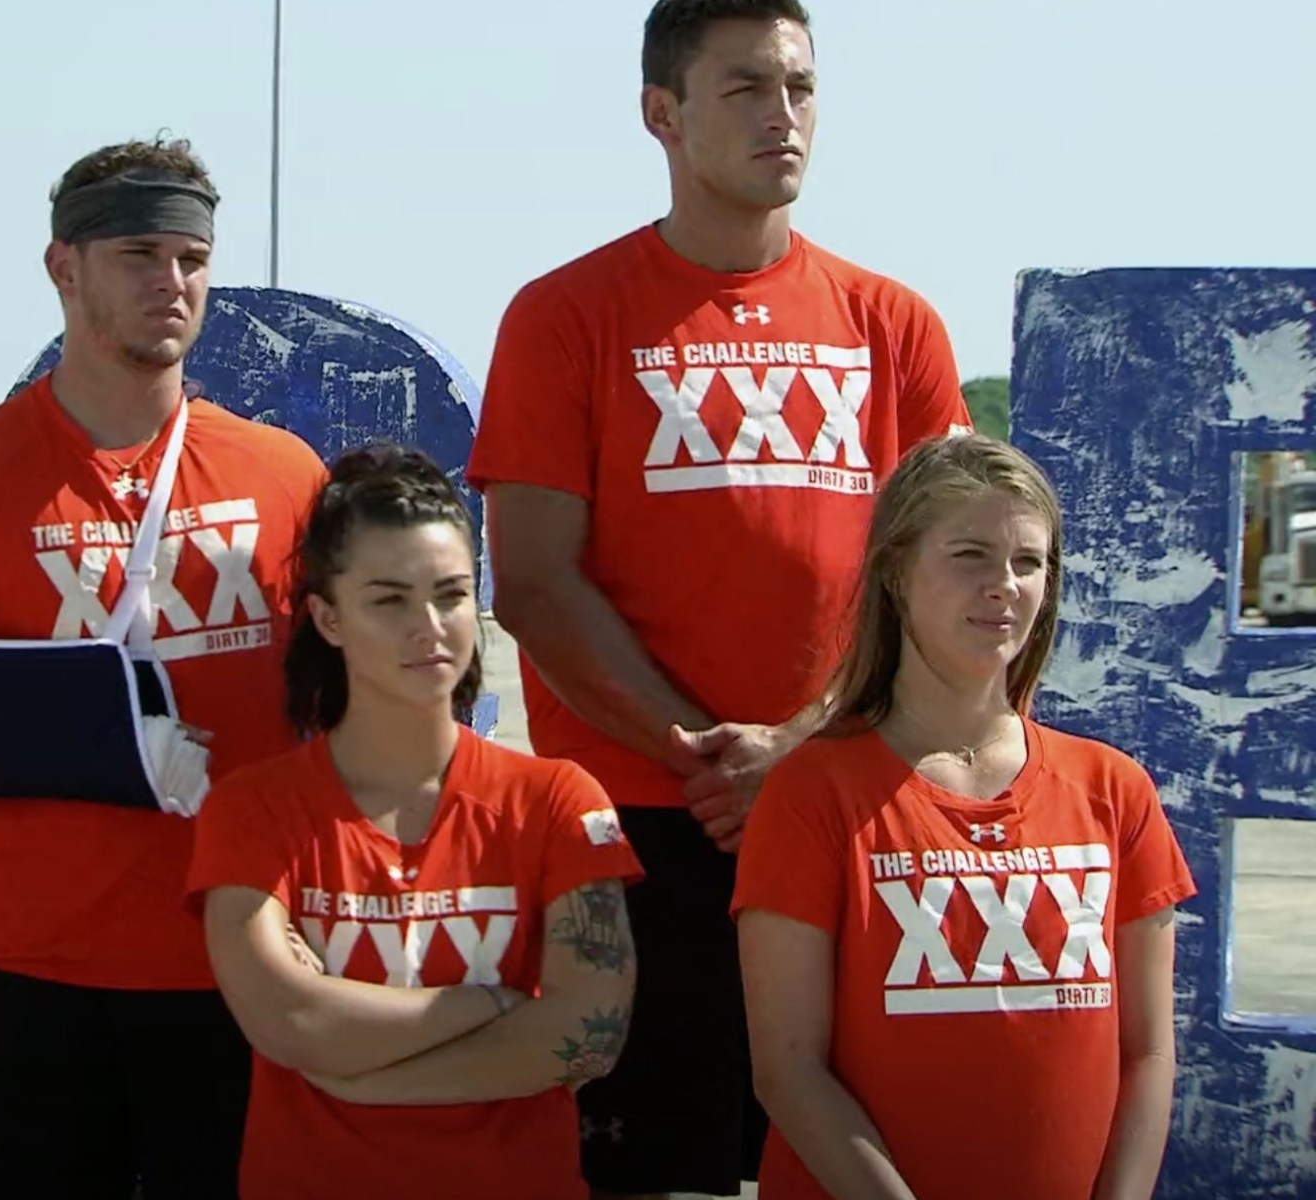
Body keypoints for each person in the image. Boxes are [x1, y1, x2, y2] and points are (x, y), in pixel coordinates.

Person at [464, 2, 976, 1195]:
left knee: (846, 1155)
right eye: (744, 87)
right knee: (656, 1167)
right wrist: (707, 756)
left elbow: (945, 574)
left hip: (847, 804)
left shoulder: (893, 324)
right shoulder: (564, 313)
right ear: (661, 112)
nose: (781, 114)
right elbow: (532, 582)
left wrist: (799, 751)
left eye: (799, 86)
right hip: (640, 822)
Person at [0, 135, 329, 1199]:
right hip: (28, 977)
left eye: (190, 259)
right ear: (62, 267)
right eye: (136, 255)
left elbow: (336, 712)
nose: (171, 283)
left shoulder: (282, 474)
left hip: (237, 955)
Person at [731, 433, 1194, 1199]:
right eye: (970, 555)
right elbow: (789, 1071)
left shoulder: (1115, 790)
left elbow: (1147, 1053)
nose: (1003, 585)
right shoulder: (811, 795)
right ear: (895, 571)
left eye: (1028, 561)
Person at [186, 444, 643, 1200]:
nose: (429, 626)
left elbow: (587, 1034)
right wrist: (492, 1006)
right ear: (328, 618)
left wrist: (365, 1078)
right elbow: (290, 1020)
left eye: (451, 595)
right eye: (389, 600)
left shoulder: (559, 800)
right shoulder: (253, 810)